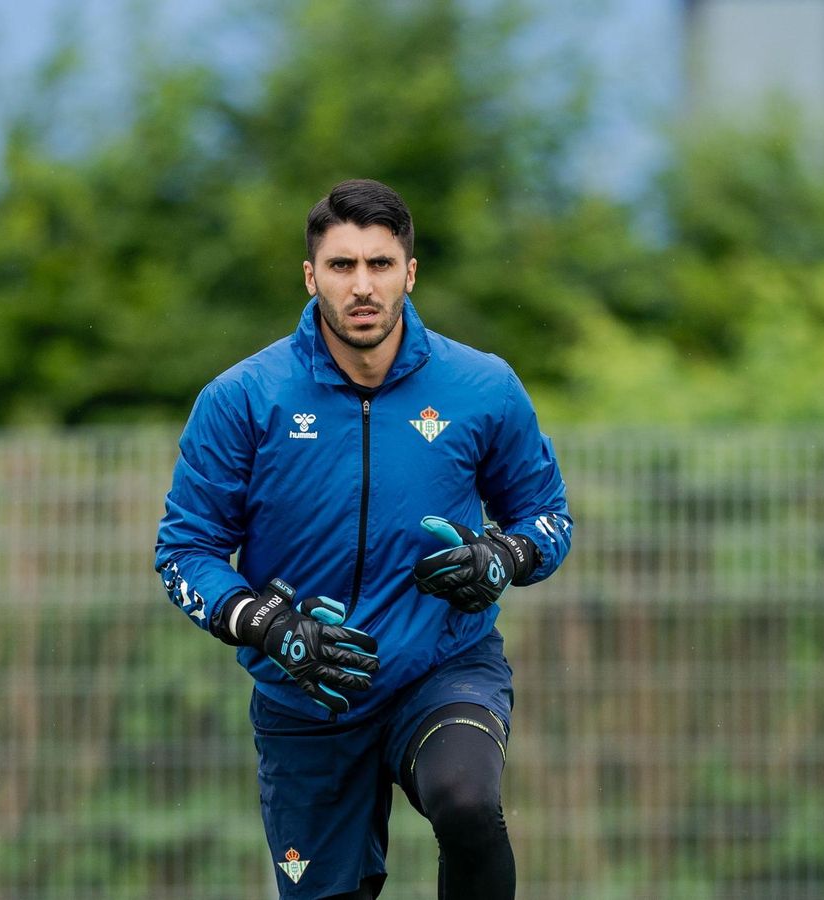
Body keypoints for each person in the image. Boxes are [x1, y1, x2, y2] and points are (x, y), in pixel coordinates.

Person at [155, 178, 573, 900]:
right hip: (304, 694)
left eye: (380, 264)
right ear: (310, 276)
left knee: (468, 804)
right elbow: (184, 552)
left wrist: (503, 556)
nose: (362, 285)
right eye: (341, 265)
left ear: (410, 273)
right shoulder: (242, 398)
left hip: (442, 668)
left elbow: (548, 515)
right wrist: (266, 625)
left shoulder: (484, 386)